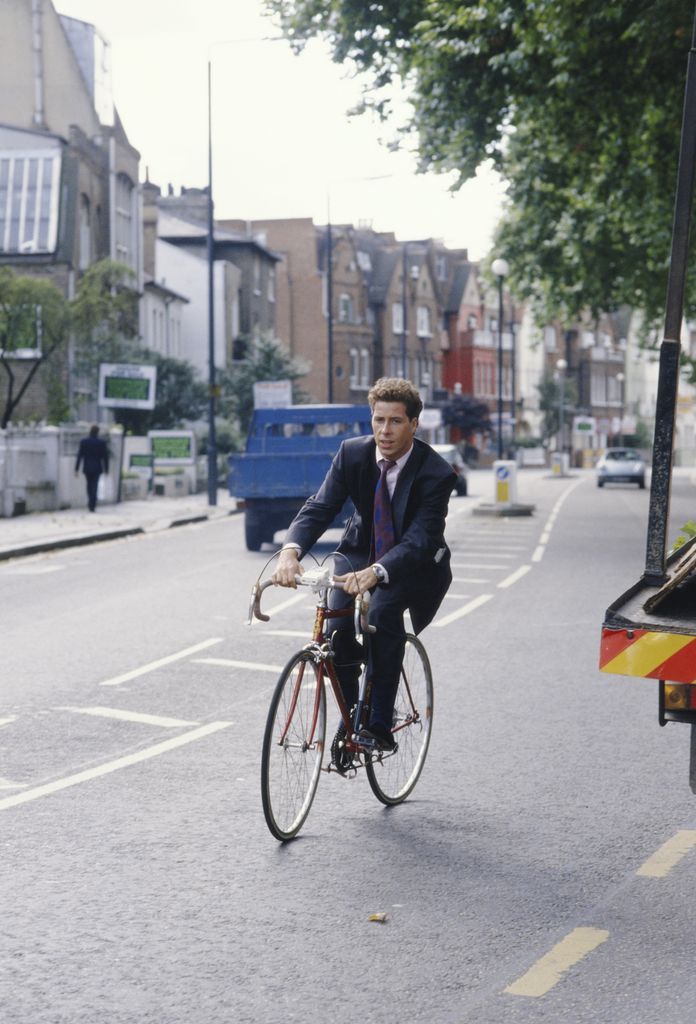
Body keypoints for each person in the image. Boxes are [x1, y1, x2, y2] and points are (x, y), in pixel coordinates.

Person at [272, 377, 456, 763]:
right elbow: (320, 507)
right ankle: (352, 714)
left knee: (383, 613)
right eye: (378, 420)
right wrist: (290, 552)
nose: (384, 431)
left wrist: (379, 572)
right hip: (358, 551)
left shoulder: (436, 473)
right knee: (337, 632)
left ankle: (378, 725)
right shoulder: (352, 454)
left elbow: (421, 538)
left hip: (410, 563)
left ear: (414, 424)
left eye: (395, 422)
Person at [75, 424, 110, 512]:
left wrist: (76, 468)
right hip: (97, 467)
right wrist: (106, 469)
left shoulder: (84, 442)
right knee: (95, 485)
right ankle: (92, 503)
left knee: (89, 485)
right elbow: (105, 457)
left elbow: (80, 455)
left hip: (87, 467)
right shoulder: (101, 443)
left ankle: (91, 501)